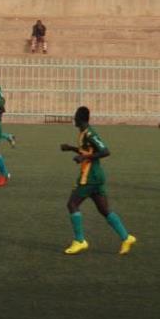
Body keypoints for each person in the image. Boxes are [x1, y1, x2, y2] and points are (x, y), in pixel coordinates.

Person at [60, 106, 136, 255]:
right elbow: (88, 151)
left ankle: (80, 241)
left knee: (72, 204)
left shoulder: (90, 133)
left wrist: (84, 157)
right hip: (96, 177)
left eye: (75, 116)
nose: (74, 119)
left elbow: (105, 151)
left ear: (80, 119)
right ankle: (126, 237)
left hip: (90, 177)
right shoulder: (83, 133)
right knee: (104, 209)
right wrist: (71, 148)